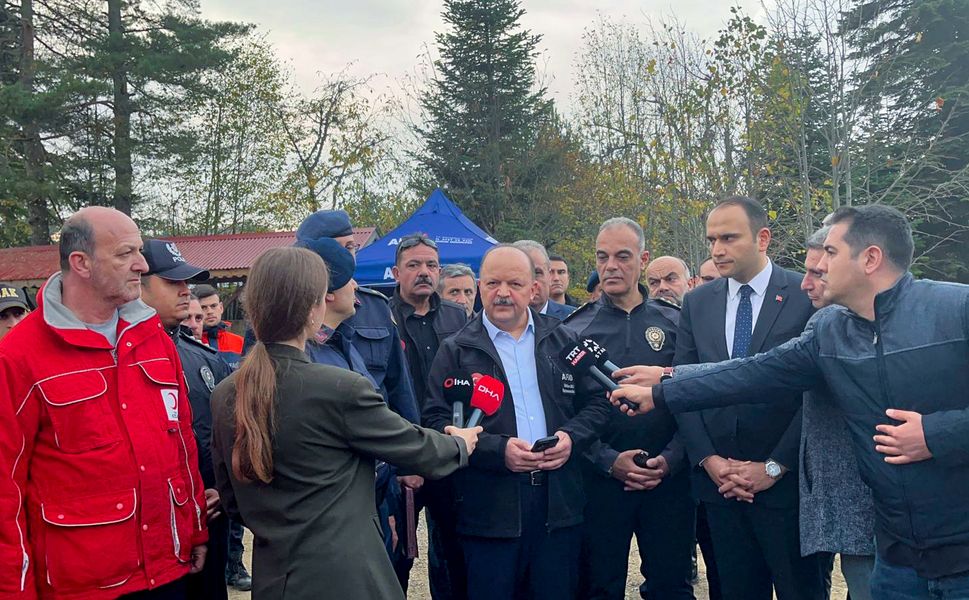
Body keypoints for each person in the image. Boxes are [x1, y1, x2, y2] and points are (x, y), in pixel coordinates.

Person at [610, 204, 969, 600]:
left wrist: (934, 433)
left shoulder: (955, 310)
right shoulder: (830, 331)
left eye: (830, 253)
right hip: (898, 558)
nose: (818, 264)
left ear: (870, 258)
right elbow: (752, 372)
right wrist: (663, 386)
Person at [209, 246, 482, 600]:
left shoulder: (226, 392)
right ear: (314, 309)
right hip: (347, 577)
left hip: (276, 578)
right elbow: (417, 449)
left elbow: (233, 502)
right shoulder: (337, 387)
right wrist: (460, 442)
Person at [0, 207, 207, 599]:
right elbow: (4, 487)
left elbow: (180, 440)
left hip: (168, 569)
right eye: (126, 253)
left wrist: (194, 525)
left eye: (139, 252)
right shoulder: (19, 356)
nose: (142, 265)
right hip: (83, 585)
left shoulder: (153, 338)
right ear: (81, 263)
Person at [422, 244, 613, 600]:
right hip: (489, 512)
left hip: (558, 507)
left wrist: (571, 438)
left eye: (514, 283)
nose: (503, 293)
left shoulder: (563, 339)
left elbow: (599, 404)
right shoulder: (456, 350)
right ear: (480, 287)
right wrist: (497, 450)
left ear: (532, 288)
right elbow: (436, 421)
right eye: (493, 283)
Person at [663, 196, 823, 600]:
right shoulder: (697, 302)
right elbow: (683, 386)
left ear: (762, 238)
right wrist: (710, 460)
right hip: (720, 489)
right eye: (712, 239)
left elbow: (818, 394)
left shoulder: (806, 296)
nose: (717, 250)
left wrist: (773, 467)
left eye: (729, 238)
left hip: (788, 491)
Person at [563, 219, 695, 600]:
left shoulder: (675, 323)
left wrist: (671, 459)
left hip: (669, 481)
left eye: (623, 257)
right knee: (598, 585)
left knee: (671, 586)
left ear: (643, 259)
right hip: (602, 482)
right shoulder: (574, 330)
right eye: (603, 257)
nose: (611, 267)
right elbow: (565, 411)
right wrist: (606, 460)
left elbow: (693, 398)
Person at [292, 210, 423, 589]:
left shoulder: (375, 306)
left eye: (355, 248)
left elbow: (399, 389)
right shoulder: (286, 320)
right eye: (346, 249)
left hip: (380, 469)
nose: (353, 259)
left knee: (388, 566)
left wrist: (408, 461)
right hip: (330, 481)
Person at [140, 239, 231, 600]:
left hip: (210, 514)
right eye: (172, 283)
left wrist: (226, 490)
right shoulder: (120, 357)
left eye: (187, 283)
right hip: (157, 524)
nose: (185, 292)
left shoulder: (204, 358)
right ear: (139, 285)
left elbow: (228, 433)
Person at [798, 227, 875, 600]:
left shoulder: (829, 325)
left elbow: (759, 373)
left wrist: (668, 383)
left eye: (819, 271)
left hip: (880, 510)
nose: (807, 283)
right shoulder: (824, 323)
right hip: (851, 513)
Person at [389, 232, 468, 598]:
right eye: (414, 265)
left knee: (452, 548)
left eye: (431, 265)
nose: (424, 272)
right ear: (395, 272)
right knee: (396, 554)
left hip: (447, 447)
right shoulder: (380, 317)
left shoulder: (458, 316)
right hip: (398, 453)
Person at [512, 240, 575, 320]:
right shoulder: (494, 322)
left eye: (537, 273)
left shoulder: (574, 319)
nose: (531, 282)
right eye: (520, 273)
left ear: (548, 276)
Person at [194, 284, 244, 370]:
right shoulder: (189, 344)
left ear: (221, 307)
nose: (209, 311)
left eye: (213, 306)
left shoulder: (240, 342)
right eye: (203, 307)